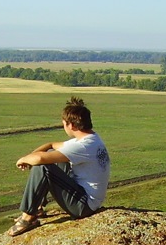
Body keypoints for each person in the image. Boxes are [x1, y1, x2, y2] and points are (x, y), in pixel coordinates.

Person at [7, 96, 111, 236]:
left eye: (64, 124)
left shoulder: (83, 146)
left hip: (83, 205)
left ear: (71, 125)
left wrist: (24, 159)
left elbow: (39, 159)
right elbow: (52, 146)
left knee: (43, 167)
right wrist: (31, 156)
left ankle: (28, 217)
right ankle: (37, 208)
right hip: (87, 198)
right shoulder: (91, 139)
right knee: (53, 155)